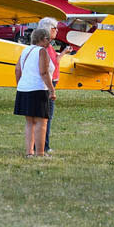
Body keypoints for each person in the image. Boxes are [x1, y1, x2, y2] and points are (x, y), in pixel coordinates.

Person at [14, 27, 56, 157]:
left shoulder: (25, 50)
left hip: (23, 88)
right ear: (43, 39)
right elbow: (43, 72)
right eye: (48, 39)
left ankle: (29, 152)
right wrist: (52, 89)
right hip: (38, 88)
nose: (50, 42)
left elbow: (17, 70)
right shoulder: (42, 51)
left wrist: (21, 84)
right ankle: (40, 153)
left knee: (29, 122)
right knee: (41, 121)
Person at [36, 17, 72, 152]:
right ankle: (44, 146)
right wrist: (51, 89)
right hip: (48, 84)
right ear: (49, 30)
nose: (57, 31)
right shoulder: (45, 46)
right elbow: (48, 67)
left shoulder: (48, 45)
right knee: (47, 116)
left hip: (49, 82)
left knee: (43, 116)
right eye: (55, 28)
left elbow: (53, 62)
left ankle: (39, 145)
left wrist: (62, 53)